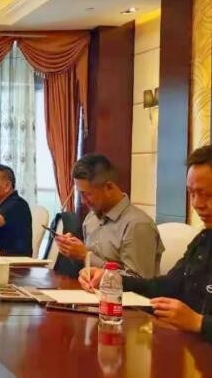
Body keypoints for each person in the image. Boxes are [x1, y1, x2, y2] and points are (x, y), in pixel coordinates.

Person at [80, 145, 212, 343]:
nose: (197, 204)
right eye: (191, 193)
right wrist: (114, 279)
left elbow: (196, 320)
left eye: (207, 194)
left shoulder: (138, 223)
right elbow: (165, 286)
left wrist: (199, 322)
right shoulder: (204, 240)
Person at [57, 154, 163, 278]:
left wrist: (86, 256)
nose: (83, 201)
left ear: (109, 187)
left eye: (87, 194)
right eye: (80, 194)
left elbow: (138, 281)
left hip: (124, 291)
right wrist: (73, 252)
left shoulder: (138, 225)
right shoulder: (91, 219)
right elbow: (87, 268)